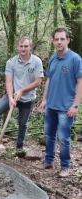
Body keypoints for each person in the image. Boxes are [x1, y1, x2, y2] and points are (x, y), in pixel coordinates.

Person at [0, 37, 43, 151]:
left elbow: (38, 82)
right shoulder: (11, 62)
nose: (23, 49)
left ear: (30, 47)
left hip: (28, 99)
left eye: (26, 46)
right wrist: (10, 97)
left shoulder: (36, 62)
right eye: (21, 46)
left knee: (23, 123)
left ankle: (19, 147)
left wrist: (22, 90)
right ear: (17, 47)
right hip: (12, 96)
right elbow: (8, 81)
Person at [39, 28, 82, 178]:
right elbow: (49, 80)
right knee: (49, 135)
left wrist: (75, 105)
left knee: (63, 138)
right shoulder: (53, 58)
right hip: (51, 105)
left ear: (68, 40)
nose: (59, 42)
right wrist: (44, 100)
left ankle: (65, 166)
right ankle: (49, 160)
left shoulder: (75, 59)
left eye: (62, 39)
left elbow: (80, 82)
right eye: (56, 39)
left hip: (66, 107)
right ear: (53, 41)